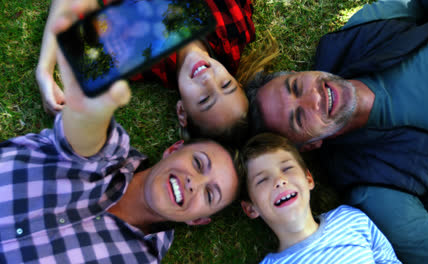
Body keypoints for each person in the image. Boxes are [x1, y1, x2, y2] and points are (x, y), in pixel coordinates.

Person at [0, 3, 240, 262]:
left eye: (209, 194)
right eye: (197, 163)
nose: (195, 183)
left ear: (198, 220)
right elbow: (87, 129)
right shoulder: (110, 152)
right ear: (174, 149)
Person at [245, 0, 428, 263]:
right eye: (299, 118)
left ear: (298, 72)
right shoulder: (374, 191)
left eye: (295, 86)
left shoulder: (357, 34)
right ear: (309, 145)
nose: (313, 98)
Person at [36, 0, 276, 144]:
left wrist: (45, 70)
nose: (209, 80)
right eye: (226, 85)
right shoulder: (236, 29)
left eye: (204, 100)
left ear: (182, 110)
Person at [239, 133, 400, 264]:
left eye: (287, 168)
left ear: (308, 179)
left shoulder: (350, 220)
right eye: (262, 180)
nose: (279, 181)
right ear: (251, 208)